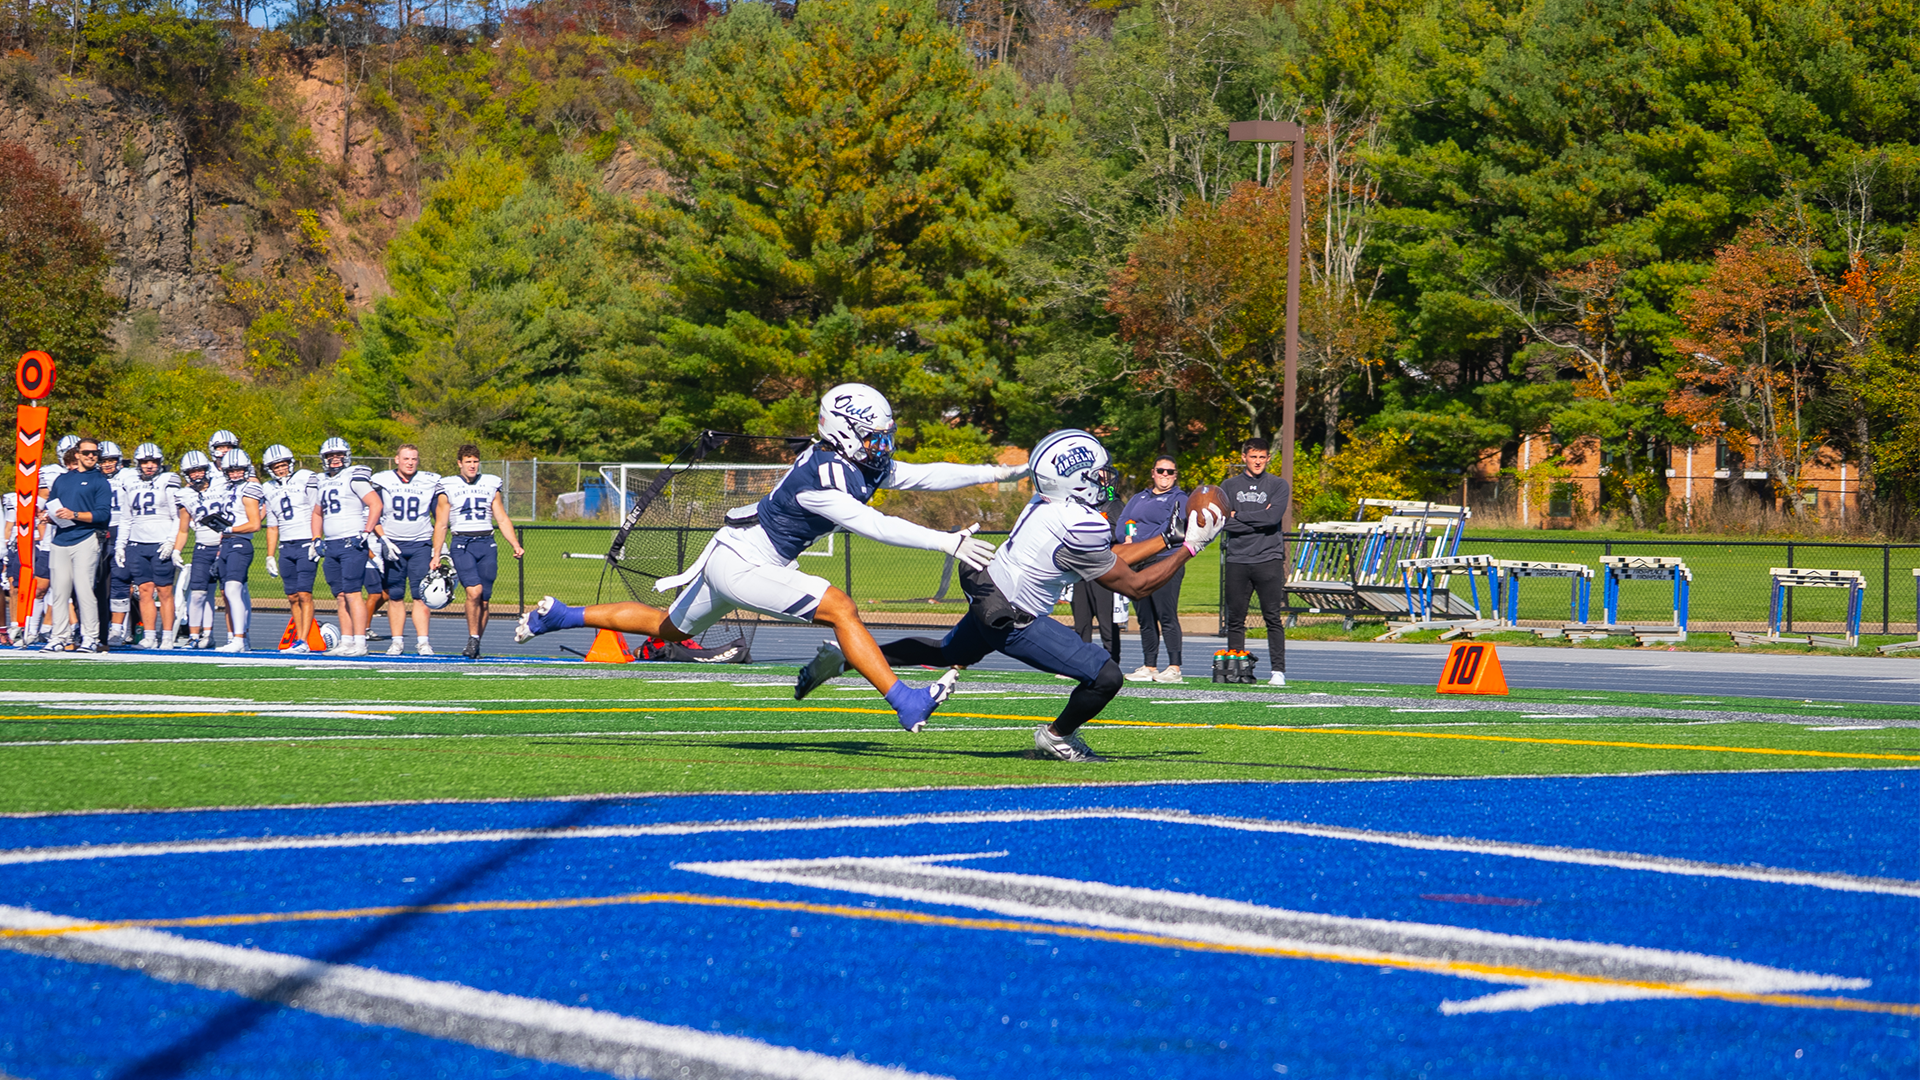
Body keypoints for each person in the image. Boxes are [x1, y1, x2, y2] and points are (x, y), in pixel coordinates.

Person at [517, 384, 1020, 732]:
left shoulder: (851, 462)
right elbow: (875, 526)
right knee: (841, 607)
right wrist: (946, 541)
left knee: (670, 630)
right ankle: (905, 701)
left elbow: (924, 475)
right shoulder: (824, 478)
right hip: (744, 562)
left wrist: (994, 474)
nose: (882, 445)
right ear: (844, 431)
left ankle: (561, 615)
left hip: (739, 552)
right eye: (873, 436)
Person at [874, 429, 1224, 760]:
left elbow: (1109, 559)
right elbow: (1135, 586)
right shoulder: (1082, 524)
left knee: (943, 652)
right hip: (1015, 622)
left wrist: (1167, 538)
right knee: (1106, 677)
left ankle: (853, 655)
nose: (1106, 481)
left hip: (990, 597)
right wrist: (1191, 548)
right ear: (1077, 481)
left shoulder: (1046, 502)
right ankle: (1057, 737)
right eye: (1098, 475)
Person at [429, 445, 523, 660]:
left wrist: (515, 544)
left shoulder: (490, 483)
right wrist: (436, 555)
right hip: (462, 542)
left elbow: (501, 517)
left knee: (485, 600)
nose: (472, 465)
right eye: (468, 461)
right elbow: (441, 524)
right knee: (474, 591)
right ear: (459, 463)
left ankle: (476, 641)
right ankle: (473, 637)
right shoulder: (448, 486)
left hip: (486, 542)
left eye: (475, 461)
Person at [1222, 437, 1291, 686]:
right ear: (1244, 457)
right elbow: (1223, 521)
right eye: (1253, 456)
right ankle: (1236, 669)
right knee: (1235, 618)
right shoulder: (1229, 485)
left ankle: (1278, 672)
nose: (1258, 461)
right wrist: (1254, 518)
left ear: (1268, 458)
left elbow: (1272, 517)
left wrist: (1238, 514)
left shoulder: (1278, 484)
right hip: (1237, 558)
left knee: (1272, 616)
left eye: (1262, 457)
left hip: (1268, 558)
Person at [308, 437, 383, 657]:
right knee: (340, 595)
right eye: (330, 456)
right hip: (331, 544)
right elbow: (316, 513)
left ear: (346, 456)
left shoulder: (354, 477)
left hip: (352, 541)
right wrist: (315, 538)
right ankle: (347, 641)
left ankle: (360, 642)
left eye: (338, 455)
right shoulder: (321, 481)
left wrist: (367, 531)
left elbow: (375, 504)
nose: (334, 459)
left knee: (352, 593)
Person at [1117, 454, 1189, 682]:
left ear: (1175, 475)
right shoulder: (1140, 497)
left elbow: (1170, 528)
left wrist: (1139, 543)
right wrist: (1126, 538)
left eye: (1170, 472)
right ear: (1153, 472)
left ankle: (1174, 667)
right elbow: (1123, 522)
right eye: (1161, 471)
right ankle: (1150, 665)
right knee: (1145, 616)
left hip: (1165, 560)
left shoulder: (1179, 498)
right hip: (1139, 562)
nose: (1164, 475)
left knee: (1166, 614)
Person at [370, 444, 442, 655]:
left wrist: (440, 547)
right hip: (393, 544)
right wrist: (384, 540)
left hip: (420, 543)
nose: (410, 462)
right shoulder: (382, 480)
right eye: (406, 458)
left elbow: (440, 518)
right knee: (395, 595)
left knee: (421, 595)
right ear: (397, 460)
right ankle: (397, 641)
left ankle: (423, 641)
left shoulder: (429, 481)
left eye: (414, 459)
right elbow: (373, 515)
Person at [116, 444, 189, 649]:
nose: (149, 466)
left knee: (165, 591)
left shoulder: (168, 480)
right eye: (145, 462)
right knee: (144, 590)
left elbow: (177, 517)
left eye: (154, 462)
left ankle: (166, 636)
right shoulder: (129, 482)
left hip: (160, 543)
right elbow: (126, 518)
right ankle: (149, 636)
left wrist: (170, 541)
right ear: (138, 463)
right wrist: (121, 545)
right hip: (137, 543)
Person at [45, 437, 112, 651]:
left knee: (84, 590)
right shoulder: (62, 480)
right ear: (77, 454)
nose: (91, 456)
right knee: (59, 592)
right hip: (60, 538)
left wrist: (74, 514)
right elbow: (52, 506)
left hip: (85, 537)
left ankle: (90, 636)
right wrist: (48, 516)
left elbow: (103, 514)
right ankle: (59, 636)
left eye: (94, 453)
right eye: (86, 453)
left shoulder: (100, 481)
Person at [260, 444, 320, 652]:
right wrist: (270, 555)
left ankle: (303, 640)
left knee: (305, 594)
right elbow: (272, 525)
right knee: (292, 596)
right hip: (286, 546)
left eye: (283, 465)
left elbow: (316, 510)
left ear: (290, 463)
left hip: (305, 542)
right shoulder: (268, 488)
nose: (281, 469)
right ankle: (298, 639)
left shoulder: (304, 477)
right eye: (276, 466)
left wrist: (316, 539)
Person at [209, 450, 264, 652]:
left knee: (233, 590)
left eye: (238, 469)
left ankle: (239, 639)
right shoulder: (228, 489)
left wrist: (230, 529)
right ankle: (238, 638)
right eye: (231, 470)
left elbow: (255, 524)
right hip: (227, 543)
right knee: (227, 591)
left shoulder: (249, 489)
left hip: (240, 542)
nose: (234, 474)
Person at [1068, 476, 1123, 666]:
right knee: (1081, 617)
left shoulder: (1112, 504)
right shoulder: (1079, 503)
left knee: (1105, 618)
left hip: (1101, 567)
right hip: (1082, 567)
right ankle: (1083, 662)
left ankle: (1112, 660)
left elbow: (1119, 532)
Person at [178, 450, 223, 649]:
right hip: (202, 547)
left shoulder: (222, 485)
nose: (197, 474)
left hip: (223, 545)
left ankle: (209, 634)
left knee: (218, 593)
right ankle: (194, 636)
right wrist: (176, 550)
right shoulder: (184, 494)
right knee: (197, 593)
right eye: (192, 471)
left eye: (200, 470)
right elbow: (183, 528)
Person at [98, 443, 136, 646]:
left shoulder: (128, 477)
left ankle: (117, 629)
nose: (107, 465)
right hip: (99, 530)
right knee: (96, 580)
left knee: (121, 579)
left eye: (111, 460)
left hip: (121, 529)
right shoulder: (93, 478)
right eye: (104, 461)